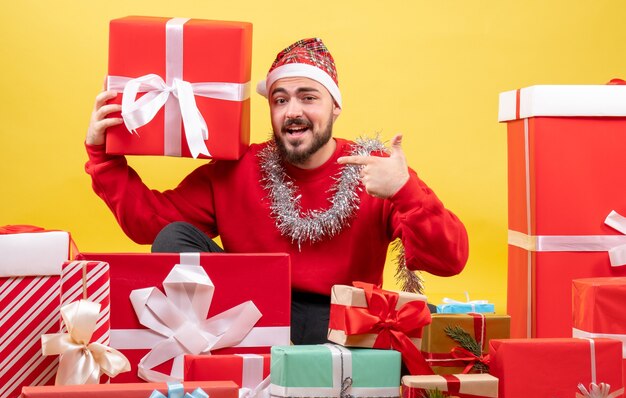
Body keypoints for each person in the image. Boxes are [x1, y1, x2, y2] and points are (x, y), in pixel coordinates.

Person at [85, 38, 469, 344]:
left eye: (308, 97)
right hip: (247, 316)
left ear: (335, 107)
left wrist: (404, 190)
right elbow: (150, 225)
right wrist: (104, 158)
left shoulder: (377, 169)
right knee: (175, 237)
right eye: (280, 100)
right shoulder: (236, 168)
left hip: (337, 326)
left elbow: (449, 259)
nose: (293, 111)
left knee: (403, 323)